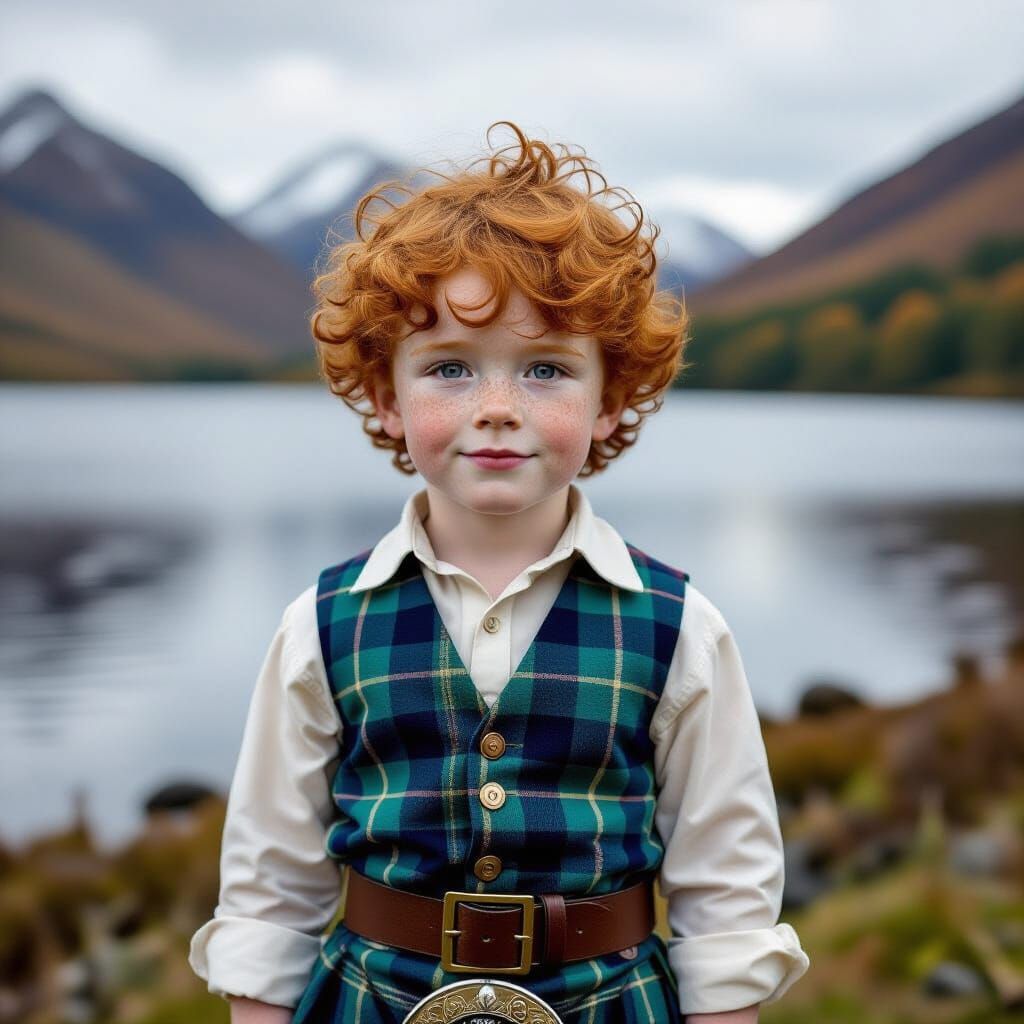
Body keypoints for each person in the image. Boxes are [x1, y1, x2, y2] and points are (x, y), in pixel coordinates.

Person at [188, 121, 809, 1024]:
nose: (496, 409)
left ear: (611, 400)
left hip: (608, 1001)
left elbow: (726, 888)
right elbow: (268, 883)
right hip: (370, 1001)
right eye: (448, 367)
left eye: (547, 369)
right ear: (385, 397)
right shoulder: (321, 623)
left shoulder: (680, 625)